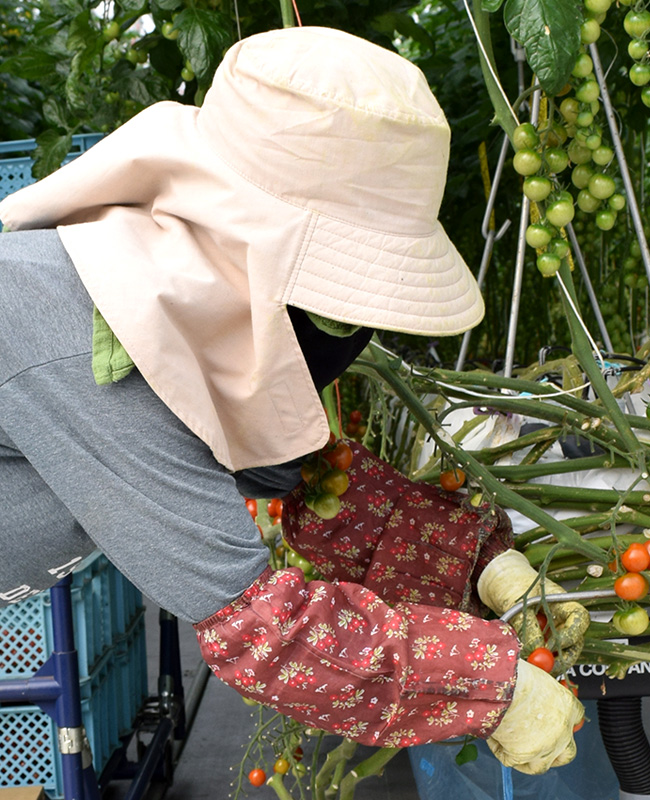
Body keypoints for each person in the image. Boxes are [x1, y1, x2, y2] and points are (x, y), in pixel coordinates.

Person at [0, 26, 585, 773]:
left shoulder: (172, 304)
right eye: (336, 308)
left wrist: (480, 562)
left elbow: (307, 472)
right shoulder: (77, 349)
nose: (344, 340)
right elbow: (264, 631)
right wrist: (493, 686)